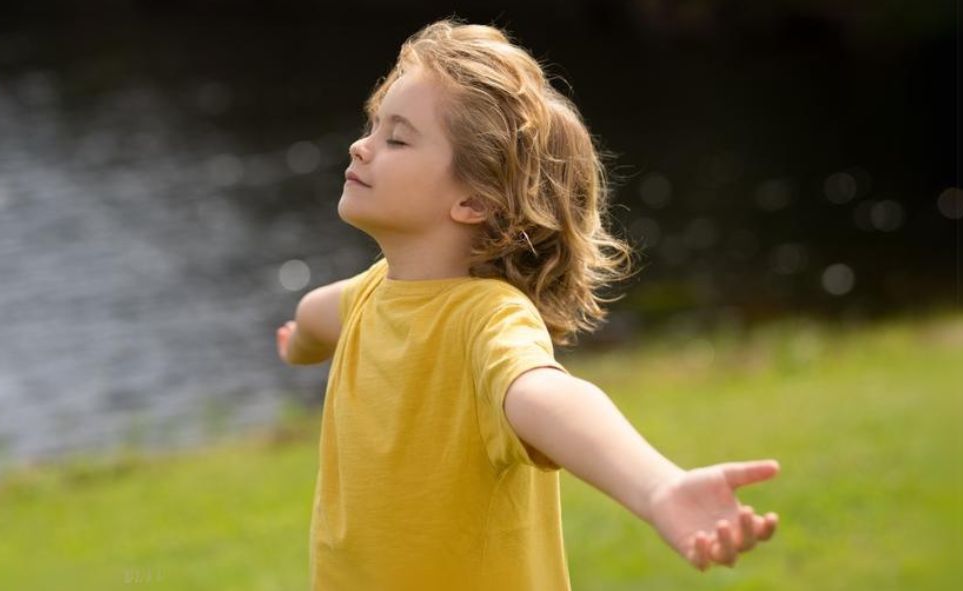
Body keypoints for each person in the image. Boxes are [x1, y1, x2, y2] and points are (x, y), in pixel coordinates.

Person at [274, 19, 781, 589]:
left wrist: (656, 486)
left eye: (397, 137)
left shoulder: (487, 319)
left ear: (473, 198)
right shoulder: (372, 294)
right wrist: (302, 343)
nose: (360, 146)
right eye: (373, 126)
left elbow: (547, 395)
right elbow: (320, 313)